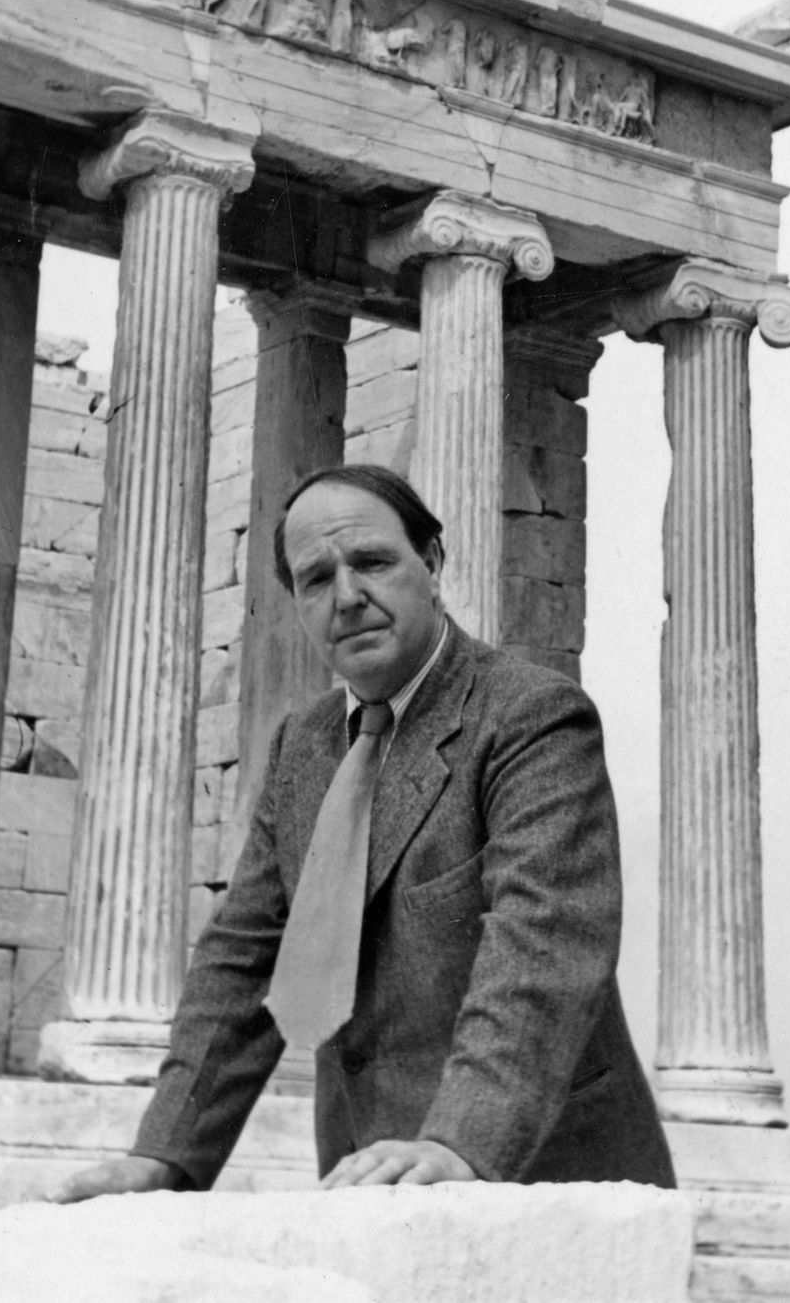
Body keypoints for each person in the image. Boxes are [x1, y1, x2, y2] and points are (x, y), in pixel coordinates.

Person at [53, 465, 673, 1199]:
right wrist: (165, 1155)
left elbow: (542, 945)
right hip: (367, 1181)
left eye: (372, 562)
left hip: (542, 1177)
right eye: (317, 579)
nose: (347, 596)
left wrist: (459, 1142)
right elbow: (244, 957)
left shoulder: (533, 717)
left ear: (433, 563)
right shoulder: (304, 746)